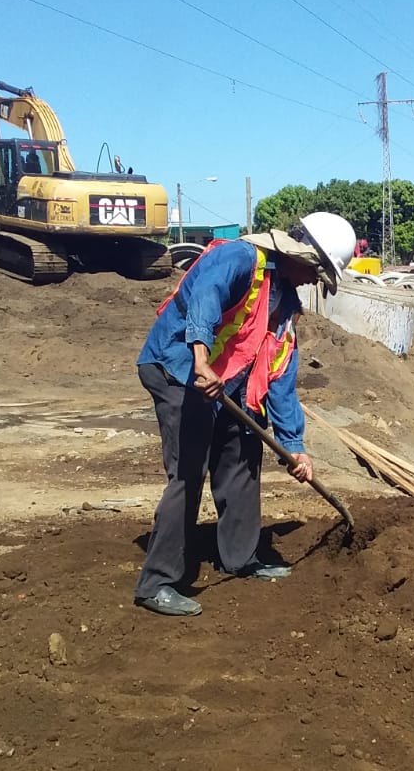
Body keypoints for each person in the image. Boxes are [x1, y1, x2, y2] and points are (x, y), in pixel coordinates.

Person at [133, 211, 356, 616]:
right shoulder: (239, 257)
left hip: (228, 382)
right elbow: (205, 297)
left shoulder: (285, 304)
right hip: (177, 368)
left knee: (243, 451)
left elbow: (281, 374)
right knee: (190, 468)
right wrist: (201, 358)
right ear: (302, 256)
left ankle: (240, 556)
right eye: (316, 271)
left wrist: (295, 446)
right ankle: (158, 582)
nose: (312, 282)